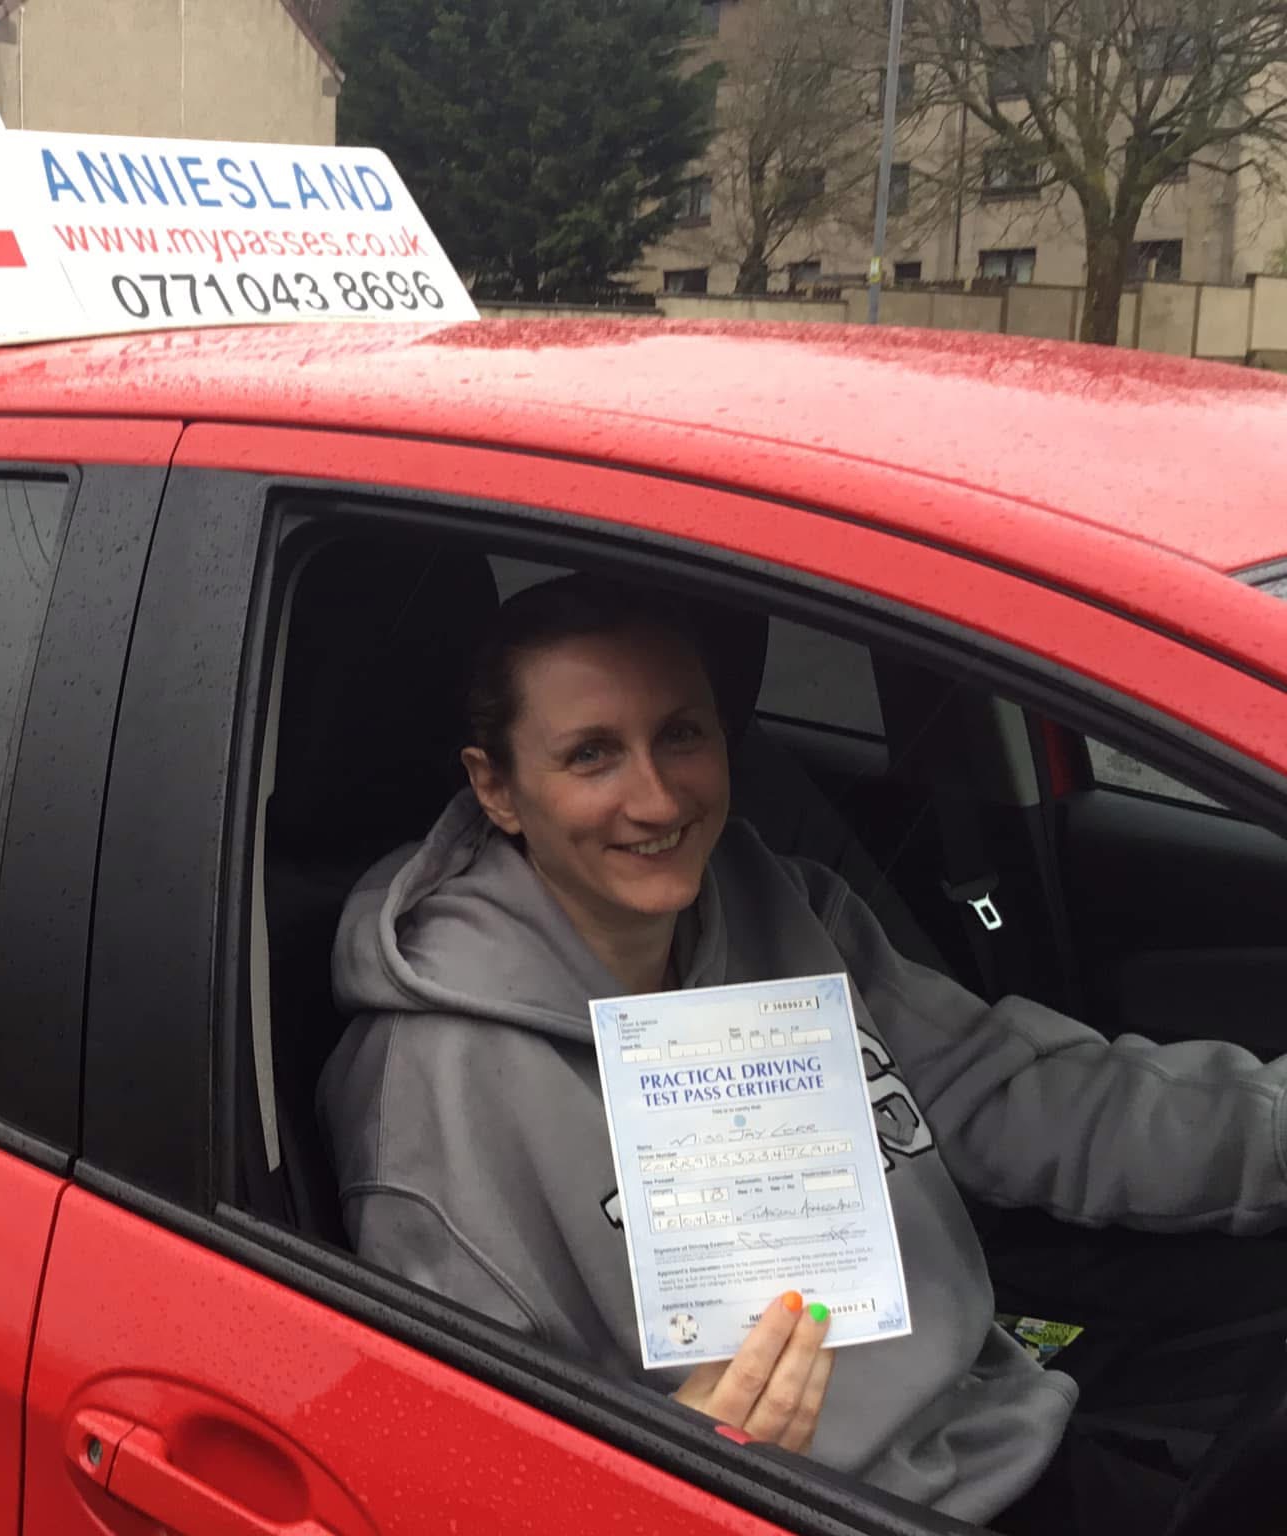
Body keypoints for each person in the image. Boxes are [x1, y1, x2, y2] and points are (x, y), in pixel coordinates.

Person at [316, 572, 1287, 1531]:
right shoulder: (428, 1084)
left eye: (680, 735)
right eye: (591, 755)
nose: (654, 800)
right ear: (498, 788)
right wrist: (675, 1458)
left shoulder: (778, 901)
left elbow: (1009, 1094)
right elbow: (452, 1472)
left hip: (1000, 1435)